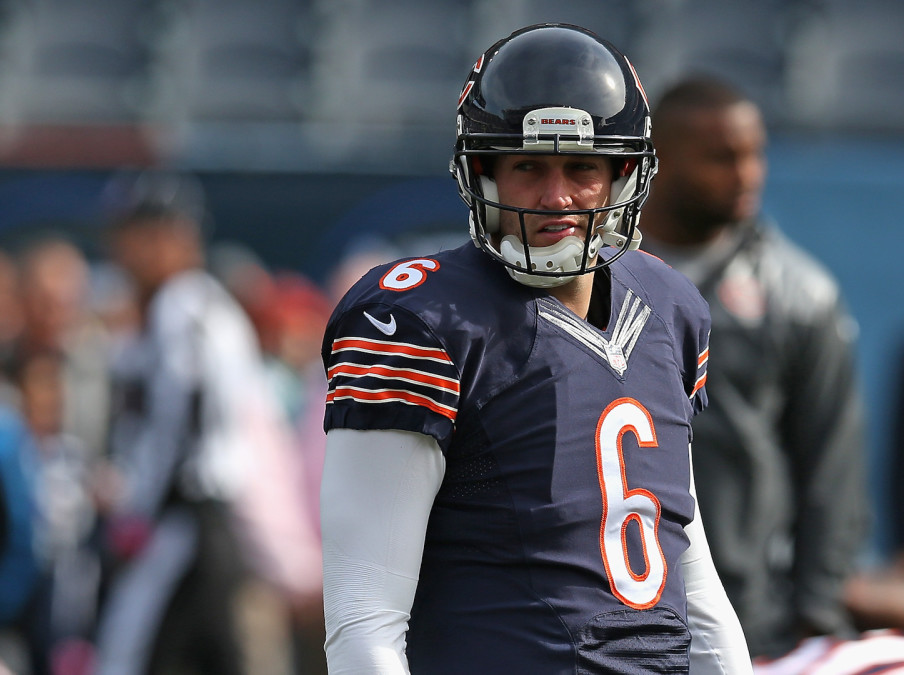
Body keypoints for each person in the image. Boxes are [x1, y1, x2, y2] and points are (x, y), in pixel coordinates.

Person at [319, 24, 752, 673]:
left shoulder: (669, 305)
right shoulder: (421, 319)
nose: (556, 197)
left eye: (581, 166)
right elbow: (364, 616)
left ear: (623, 173)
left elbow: (688, 559)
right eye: (528, 166)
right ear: (482, 171)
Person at [638, 76, 868, 659]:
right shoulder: (593, 277)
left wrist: (816, 616)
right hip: (613, 610)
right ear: (658, 160)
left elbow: (831, 475)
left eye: (754, 154)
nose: (747, 175)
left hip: (751, 622)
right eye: (721, 157)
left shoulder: (802, 294)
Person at [93, 171, 316, 675]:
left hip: (190, 517)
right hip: (205, 524)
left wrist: (135, 507)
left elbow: (183, 426)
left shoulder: (184, 304)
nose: (121, 250)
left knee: (125, 656)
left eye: (134, 234)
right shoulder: (191, 306)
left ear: (170, 235)